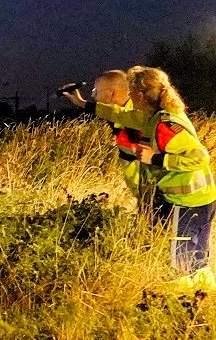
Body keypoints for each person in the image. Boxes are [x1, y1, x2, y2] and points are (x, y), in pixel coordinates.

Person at [127, 66, 215, 274]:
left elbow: (200, 158)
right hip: (197, 200)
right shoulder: (161, 115)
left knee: (184, 267)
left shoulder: (164, 125)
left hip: (189, 203)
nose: (129, 96)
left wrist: (155, 158)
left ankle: (190, 301)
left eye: (130, 91)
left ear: (140, 94)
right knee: (196, 264)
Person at [63, 69, 165, 220]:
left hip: (161, 195)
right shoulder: (119, 116)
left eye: (95, 91)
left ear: (112, 94)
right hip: (145, 195)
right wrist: (80, 102)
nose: (93, 95)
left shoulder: (141, 116)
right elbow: (110, 112)